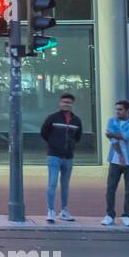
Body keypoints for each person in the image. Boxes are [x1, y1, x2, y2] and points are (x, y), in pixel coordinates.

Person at [39, 93, 82, 223]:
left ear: (72, 104)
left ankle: (64, 210)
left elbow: (78, 137)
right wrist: (54, 144)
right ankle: (51, 211)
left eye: (68, 102)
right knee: (52, 183)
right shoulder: (52, 118)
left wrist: (70, 146)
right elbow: (44, 133)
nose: (66, 104)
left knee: (65, 185)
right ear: (60, 103)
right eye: (64, 102)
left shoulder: (77, 120)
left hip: (68, 157)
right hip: (54, 156)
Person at [102, 100, 129, 228]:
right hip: (115, 160)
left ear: (128, 111)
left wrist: (112, 134)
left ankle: (126, 215)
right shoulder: (112, 121)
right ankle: (109, 215)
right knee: (110, 189)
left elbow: (127, 136)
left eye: (120, 109)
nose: (117, 112)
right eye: (116, 109)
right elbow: (113, 140)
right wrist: (121, 156)